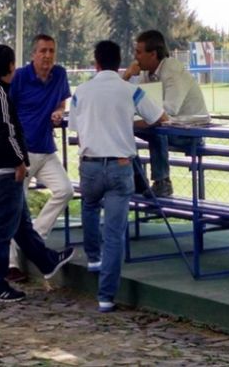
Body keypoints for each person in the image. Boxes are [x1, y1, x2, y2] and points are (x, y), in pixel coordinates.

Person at [0, 44, 75, 303]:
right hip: (1, 169)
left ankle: (46, 260)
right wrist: (20, 161)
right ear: (10, 67)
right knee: (0, 229)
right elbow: (6, 131)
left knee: (21, 225)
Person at [69, 40, 166, 313]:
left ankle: (92, 258)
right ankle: (106, 296)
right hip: (120, 165)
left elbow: (75, 126)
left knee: (88, 207)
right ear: (119, 62)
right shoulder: (130, 90)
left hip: (89, 164)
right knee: (114, 233)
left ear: (96, 62)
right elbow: (159, 117)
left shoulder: (82, 91)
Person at [6, 34, 75, 283]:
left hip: (46, 150)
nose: (47, 56)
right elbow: (7, 110)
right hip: (22, 153)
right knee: (17, 208)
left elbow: (61, 103)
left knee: (65, 190)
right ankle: (12, 265)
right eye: (43, 51)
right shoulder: (21, 77)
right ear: (33, 54)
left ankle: (36, 237)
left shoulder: (60, 74)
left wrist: (58, 112)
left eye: (51, 51)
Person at [122, 30, 209, 197]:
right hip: (169, 127)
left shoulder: (172, 69)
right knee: (123, 128)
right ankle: (138, 180)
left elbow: (169, 111)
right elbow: (134, 103)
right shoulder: (147, 73)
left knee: (158, 127)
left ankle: (163, 182)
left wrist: (139, 117)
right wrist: (126, 76)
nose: (135, 57)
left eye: (139, 52)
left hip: (192, 131)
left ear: (153, 54)